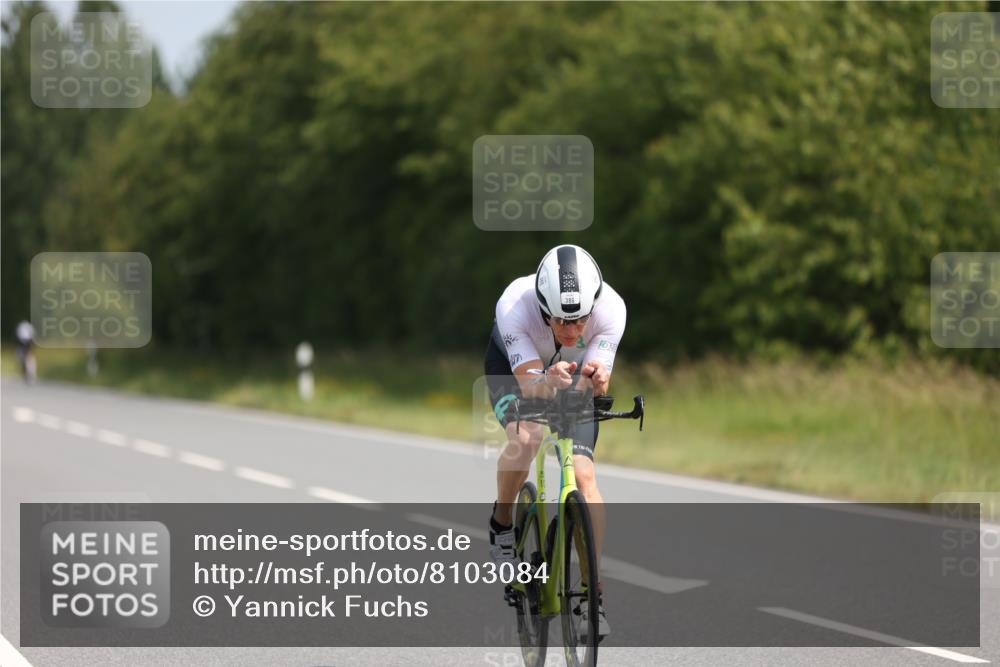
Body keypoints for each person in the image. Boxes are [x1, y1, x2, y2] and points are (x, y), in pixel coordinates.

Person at [485, 244, 625, 639]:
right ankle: (502, 522)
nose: (570, 330)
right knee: (527, 437)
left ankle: (591, 594)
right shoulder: (515, 304)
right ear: (542, 307)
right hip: (515, 372)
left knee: (583, 475)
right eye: (560, 321)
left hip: (570, 377)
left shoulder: (612, 309)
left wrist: (594, 380)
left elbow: (596, 382)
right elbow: (531, 387)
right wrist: (548, 380)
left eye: (579, 321)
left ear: (593, 306)